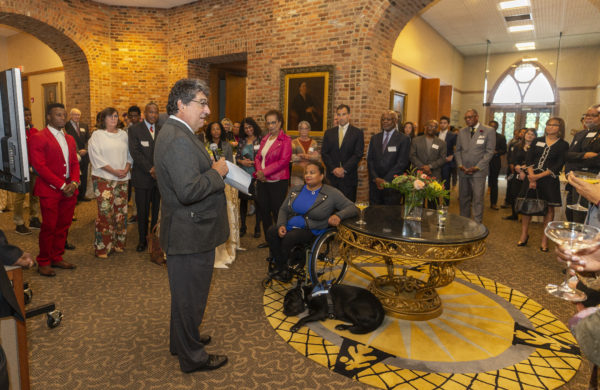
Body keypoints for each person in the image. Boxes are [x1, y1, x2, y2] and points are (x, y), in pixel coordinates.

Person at [154, 78, 229, 373]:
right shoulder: (176, 138)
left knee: (185, 295)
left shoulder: (179, 132)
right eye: (202, 102)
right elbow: (188, 191)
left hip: (190, 230)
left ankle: (181, 341)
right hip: (190, 233)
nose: (208, 110)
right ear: (182, 105)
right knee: (191, 299)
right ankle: (193, 358)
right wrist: (217, 172)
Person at [266, 161, 358, 281]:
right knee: (272, 231)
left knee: (290, 238)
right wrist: (281, 225)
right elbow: (284, 209)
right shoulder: (296, 190)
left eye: (312, 172)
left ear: (321, 176)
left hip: (314, 228)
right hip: (292, 224)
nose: (308, 175)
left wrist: (338, 216)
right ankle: (282, 266)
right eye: (306, 173)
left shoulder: (331, 193)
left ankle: (285, 268)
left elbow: (353, 207)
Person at [28, 103, 79, 277]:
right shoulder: (38, 137)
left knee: (64, 225)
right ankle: (43, 261)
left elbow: (74, 163)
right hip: (50, 190)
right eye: (58, 115)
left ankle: (57, 257)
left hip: (69, 189)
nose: (62, 118)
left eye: (64, 115)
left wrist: (74, 182)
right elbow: (39, 167)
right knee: (49, 226)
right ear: (48, 117)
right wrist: (62, 185)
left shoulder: (70, 139)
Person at [517, 118, 569, 251]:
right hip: (531, 176)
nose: (550, 127)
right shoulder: (537, 140)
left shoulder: (563, 144)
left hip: (549, 179)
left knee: (549, 209)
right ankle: (524, 235)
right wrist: (531, 176)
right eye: (548, 124)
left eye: (554, 125)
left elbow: (559, 164)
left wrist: (538, 176)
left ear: (560, 128)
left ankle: (544, 240)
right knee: (527, 206)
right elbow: (529, 158)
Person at [88, 107, 133, 258]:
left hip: (122, 178)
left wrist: (126, 168)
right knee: (106, 213)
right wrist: (113, 171)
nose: (114, 119)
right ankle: (102, 247)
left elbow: (129, 154)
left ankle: (118, 244)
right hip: (103, 178)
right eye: (110, 117)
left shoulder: (123, 135)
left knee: (121, 212)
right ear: (103, 119)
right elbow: (95, 157)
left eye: (115, 116)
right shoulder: (97, 135)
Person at [254, 109, 292, 248]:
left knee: (278, 212)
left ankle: (281, 239)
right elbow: (258, 157)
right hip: (263, 181)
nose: (270, 126)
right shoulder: (265, 139)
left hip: (277, 181)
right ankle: (269, 239)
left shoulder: (286, 140)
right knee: (264, 210)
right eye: (268, 123)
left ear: (280, 123)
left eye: (273, 123)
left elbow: (283, 162)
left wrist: (264, 172)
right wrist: (259, 172)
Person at [128, 103, 161, 253]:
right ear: (145, 113)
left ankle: (152, 239)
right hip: (142, 177)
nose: (153, 115)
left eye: (156, 112)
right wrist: (150, 168)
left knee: (155, 211)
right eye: (150, 112)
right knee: (142, 211)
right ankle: (142, 240)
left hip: (159, 179)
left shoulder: (162, 129)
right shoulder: (135, 129)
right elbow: (135, 152)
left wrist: (158, 169)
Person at [455, 109, 496, 223]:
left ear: (477, 117)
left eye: (470, 117)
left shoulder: (488, 131)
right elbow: (457, 151)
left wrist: (477, 167)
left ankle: (477, 224)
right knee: (463, 198)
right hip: (463, 171)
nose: (468, 120)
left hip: (478, 171)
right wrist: (460, 165)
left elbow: (489, 152)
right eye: (466, 118)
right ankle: (464, 221)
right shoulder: (462, 131)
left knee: (478, 199)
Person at [321, 104, 364, 202]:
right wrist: (334, 169)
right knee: (330, 207)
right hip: (332, 178)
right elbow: (324, 153)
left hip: (348, 178)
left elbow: (358, 154)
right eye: (339, 115)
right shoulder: (329, 133)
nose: (341, 117)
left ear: (349, 115)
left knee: (348, 208)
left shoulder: (357, 133)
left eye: (344, 114)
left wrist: (343, 169)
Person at [565, 104, 600, 223]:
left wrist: (578, 158)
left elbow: (596, 159)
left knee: (584, 217)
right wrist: (584, 155)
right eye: (587, 115)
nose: (588, 118)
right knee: (571, 214)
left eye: (593, 115)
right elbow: (568, 155)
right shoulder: (580, 134)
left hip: (592, 181)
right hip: (574, 178)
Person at [366, 111, 410, 205]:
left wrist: (385, 180)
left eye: (388, 119)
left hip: (392, 185)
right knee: (374, 214)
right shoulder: (375, 138)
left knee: (390, 215)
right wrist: (376, 178)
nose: (385, 121)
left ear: (395, 121)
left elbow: (402, 163)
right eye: (383, 119)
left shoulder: (403, 139)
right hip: (375, 185)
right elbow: (370, 160)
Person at [13, 107, 41, 235]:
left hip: (33, 168)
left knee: (35, 194)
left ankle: (33, 218)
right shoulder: (16, 133)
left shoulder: (35, 131)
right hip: (21, 169)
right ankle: (19, 223)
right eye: (25, 115)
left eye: (29, 115)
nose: (28, 117)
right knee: (20, 196)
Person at [410, 119, 447, 208]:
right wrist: (423, 167)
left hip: (434, 175)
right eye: (430, 126)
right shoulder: (416, 140)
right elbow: (412, 156)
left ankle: (432, 221)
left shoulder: (442, 143)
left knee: (433, 202)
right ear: (425, 127)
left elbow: (442, 159)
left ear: (437, 129)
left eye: (434, 127)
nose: (432, 128)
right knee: (418, 201)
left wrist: (430, 166)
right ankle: (418, 220)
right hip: (418, 174)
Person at [236, 117, 262, 238]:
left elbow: (264, 157)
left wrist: (255, 163)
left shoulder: (261, 139)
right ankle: (243, 227)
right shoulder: (242, 141)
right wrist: (242, 162)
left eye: (250, 127)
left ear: (254, 126)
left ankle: (257, 227)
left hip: (257, 175)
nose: (248, 129)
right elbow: (237, 157)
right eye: (245, 128)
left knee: (258, 202)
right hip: (243, 175)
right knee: (243, 201)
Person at [504, 128, 536, 221]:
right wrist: (519, 169)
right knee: (514, 194)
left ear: (535, 137)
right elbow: (514, 160)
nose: (529, 136)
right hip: (518, 173)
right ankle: (514, 214)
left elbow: (535, 162)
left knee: (526, 195)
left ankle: (524, 215)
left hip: (531, 174)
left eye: (532, 134)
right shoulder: (517, 146)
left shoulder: (536, 148)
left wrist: (525, 168)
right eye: (528, 134)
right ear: (524, 135)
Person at [64, 108, 91, 202]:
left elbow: (89, 139)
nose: (77, 117)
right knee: (75, 176)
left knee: (84, 176)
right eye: (75, 115)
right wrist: (77, 151)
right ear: (71, 115)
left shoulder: (84, 125)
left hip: (84, 155)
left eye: (78, 115)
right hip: (74, 154)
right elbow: (68, 139)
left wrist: (86, 149)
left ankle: (82, 195)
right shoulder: (66, 125)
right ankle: (75, 196)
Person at [290, 120, 320, 187]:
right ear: (299, 130)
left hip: (311, 174)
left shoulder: (314, 143)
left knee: (310, 193)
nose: (304, 130)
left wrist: (303, 155)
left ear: (309, 130)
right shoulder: (293, 142)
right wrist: (309, 157)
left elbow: (316, 157)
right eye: (302, 128)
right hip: (297, 173)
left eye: (306, 128)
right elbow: (292, 157)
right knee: (297, 193)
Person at [502, 127, 527, 209]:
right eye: (521, 132)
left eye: (525, 132)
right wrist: (511, 165)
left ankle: (519, 208)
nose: (522, 134)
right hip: (512, 168)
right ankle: (508, 201)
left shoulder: (529, 146)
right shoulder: (514, 144)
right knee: (511, 186)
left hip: (523, 170)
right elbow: (510, 155)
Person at [488, 120, 507, 210]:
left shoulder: (501, 137)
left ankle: (493, 203)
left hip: (495, 161)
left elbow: (504, 150)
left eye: (494, 126)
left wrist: (497, 152)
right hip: (483, 161)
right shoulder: (483, 135)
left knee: (493, 183)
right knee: (477, 181)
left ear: (496, 128)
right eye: (490, 126)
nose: (492, 128)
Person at [438, 116, 456, 205]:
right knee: (435, 183)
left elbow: (458, 148)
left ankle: (445, 204)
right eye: (441, 123)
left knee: (446, 184)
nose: (442, 124)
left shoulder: (453, 135)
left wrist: (453, 156)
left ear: (448, 124)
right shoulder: (436, 134)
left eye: (444, 123)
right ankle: (434, 203)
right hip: (436, 163)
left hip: (446, 164)